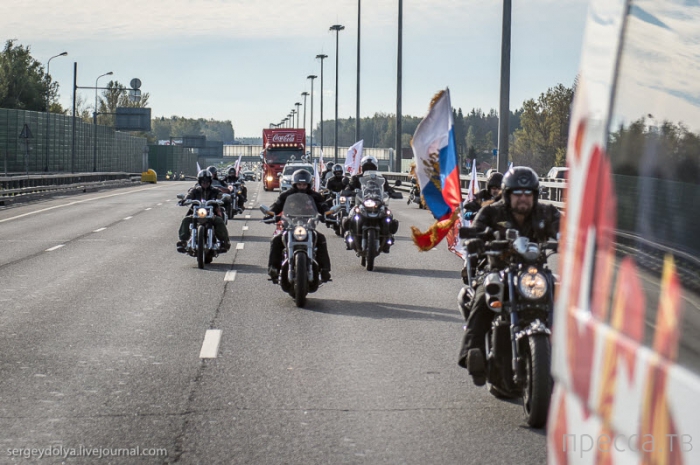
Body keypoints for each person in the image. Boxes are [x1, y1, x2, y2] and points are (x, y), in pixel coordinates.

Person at [458, 166, 560, 386]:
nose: (523, 198)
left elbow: (567, 229)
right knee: (484, 296)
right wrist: (475, 240)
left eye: (528, 193)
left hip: (534, 274)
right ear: (507, 194)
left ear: (535, 195)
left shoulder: (546, 212)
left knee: (563, 294)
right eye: (517, 193)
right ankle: (472, 352)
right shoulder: (491, 212)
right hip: (498, 270)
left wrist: (574, 239)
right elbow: (476, 229)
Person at [266, 169, 332, 283]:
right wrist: (270, 214)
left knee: (321, 239)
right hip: (290, 226)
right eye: (299, 184)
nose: (302, 186)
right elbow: (276, 206)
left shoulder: (315, 196)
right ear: (294, 184)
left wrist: (328, 215)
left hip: (308, 226)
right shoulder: (286, 195)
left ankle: (325, 270)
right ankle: (273, 269)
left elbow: (323, 206)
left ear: (308, 184)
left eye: (304, 184)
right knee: (276, 240)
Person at [344, 155, 400, 251]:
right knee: (351, 216)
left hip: (378, 203)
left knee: (388, 216)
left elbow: (387, 188)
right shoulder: (356, 178)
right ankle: (349, 236)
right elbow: (350, 186)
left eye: (371, 167)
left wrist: (392, 192)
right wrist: (348, 190)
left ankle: (388, 238)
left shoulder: (381, 179)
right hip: (361, 203)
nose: (369, 169)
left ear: (375, 167)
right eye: (367, 167)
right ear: (362, 167)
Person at [177, 170, 231, 253]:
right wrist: (184, 200)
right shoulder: (195, 190)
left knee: (219, 220)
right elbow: (189, 196)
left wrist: (223, 199)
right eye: (203, 181)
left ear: (210, 181)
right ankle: (183, 241)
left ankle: (224, 242)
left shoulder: (215, 191)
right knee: (186, 219)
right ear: (200, 182)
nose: (205, 183)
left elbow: (221, 196)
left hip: (211, 214)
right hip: (197, 213)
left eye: (207, 181)